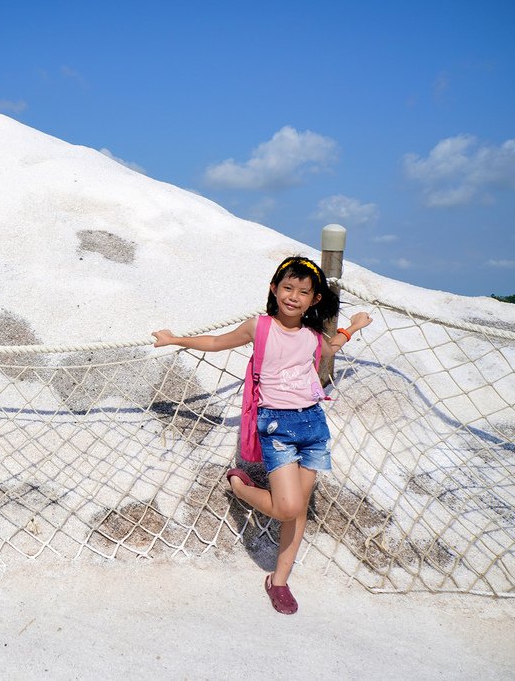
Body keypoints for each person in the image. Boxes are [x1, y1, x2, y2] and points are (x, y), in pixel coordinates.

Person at [151, 255, 372, 614]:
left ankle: (279, 580)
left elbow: (330, 348)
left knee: (298, 510)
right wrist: (177, 339)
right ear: (274, 289)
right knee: (289, 507)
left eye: (303, 291)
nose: (294, 296)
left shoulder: (312, 335)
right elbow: (218, 342)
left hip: (313, 425)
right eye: (288, 288)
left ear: (315, 299)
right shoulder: (261, 326)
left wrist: (353, 326)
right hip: (276, 425)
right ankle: (240, 487)